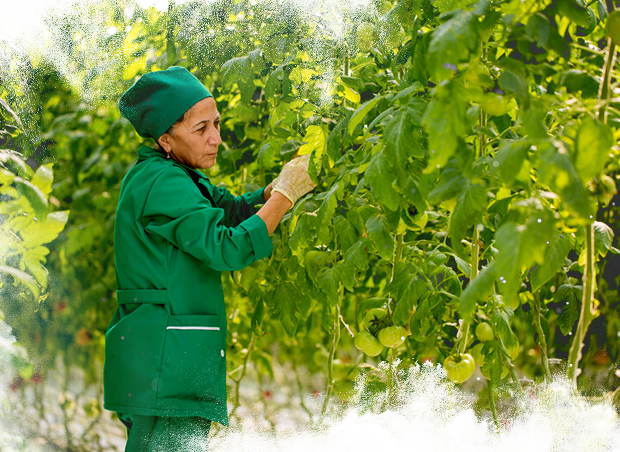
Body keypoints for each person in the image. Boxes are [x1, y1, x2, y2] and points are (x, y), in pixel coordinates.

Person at [102, 66, 316, 451]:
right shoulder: (162, 183)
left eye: (216, 124)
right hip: (167, 363)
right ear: (166, 139)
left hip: (168, 359)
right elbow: (226, 247)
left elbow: (229, 211)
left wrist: (270, 194)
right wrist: (285, 195)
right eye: (201, 129)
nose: (216, 138)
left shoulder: (176, 175)